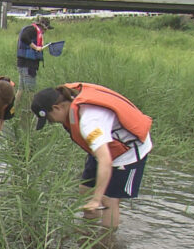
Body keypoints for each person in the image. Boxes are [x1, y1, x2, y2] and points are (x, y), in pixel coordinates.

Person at [31, 83, 152, 228]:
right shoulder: (71, 103)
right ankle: (89, 231)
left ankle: (107, 243)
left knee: (108, 200)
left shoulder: (89, 122)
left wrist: (97, 199)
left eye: (50, 119)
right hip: (104, 146)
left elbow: (105, 160)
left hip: (129, 151)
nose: (52, 123)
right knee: (85, 190)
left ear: (57, 108)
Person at [16, 16, 52, 102]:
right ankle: (32, 110)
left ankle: (13, 109)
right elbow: (24, 37)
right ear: (42, 26)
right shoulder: (32, 30)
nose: (45, 32)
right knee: (30, 90)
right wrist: (35, 47)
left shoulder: (32, 30)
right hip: (28, 65)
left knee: (21, 89)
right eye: (45, 29)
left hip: (22, 63)